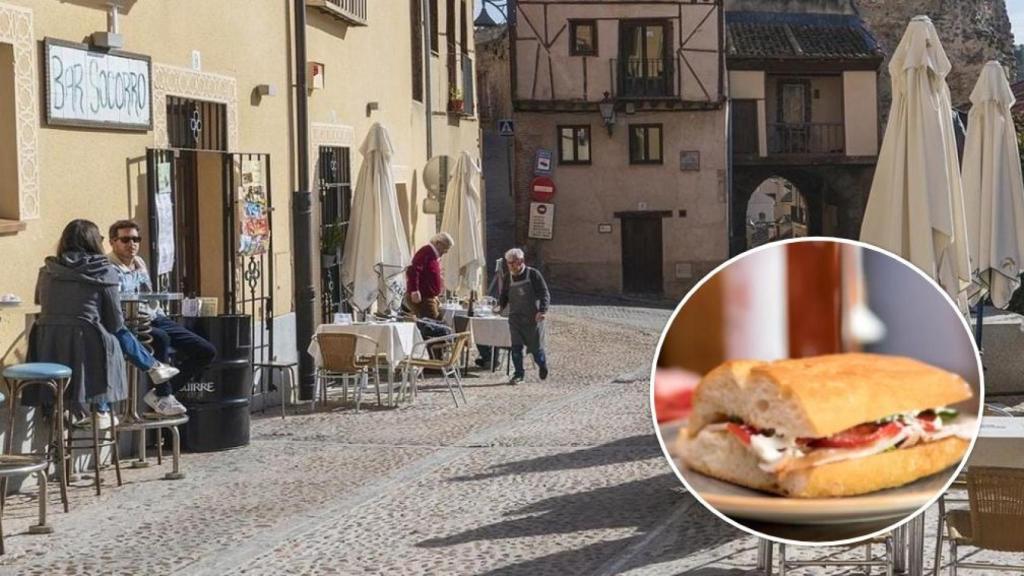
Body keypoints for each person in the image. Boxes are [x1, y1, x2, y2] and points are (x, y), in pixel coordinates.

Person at [29, 220, 179, 428]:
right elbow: (115, 319)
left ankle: (61, 412)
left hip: (48, 344)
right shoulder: (102, 270)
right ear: (94, 242)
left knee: (99, 335)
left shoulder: (47, 269)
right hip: (87, 342)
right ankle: (104, 408)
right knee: (110, 338)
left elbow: (40, 300)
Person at [107, 219, 216, 416]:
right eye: (125, 240)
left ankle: (162, 392)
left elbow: (149, 296)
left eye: (135, 239)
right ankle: (164, 396)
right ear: (113, 242)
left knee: (205, 350)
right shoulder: (110, 269)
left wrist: (160, 315)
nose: (132, 244)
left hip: (154, 316)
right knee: (161, 338)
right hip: (130, 322)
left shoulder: (139, 263)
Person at [496, 248, 550, 384]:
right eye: (508, 263)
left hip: (533, 318)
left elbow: (544, 293)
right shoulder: (508, 277)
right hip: (515, 318)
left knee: (536, 350)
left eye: (512, 263)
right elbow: (504, 294)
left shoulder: (533, 274)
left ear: (521, 261)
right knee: (516, 348)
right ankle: (518, 374)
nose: (510, 266)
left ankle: (542, 365)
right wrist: (500, 306)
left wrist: (542, 310)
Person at [403, 232, 453, 321]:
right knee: (433, 326)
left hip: (429, 297)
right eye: (445, 247)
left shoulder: (433, 255)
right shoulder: (426, 252)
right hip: (424, 298)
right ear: (438, 243)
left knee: (434, 323)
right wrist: (414, 290)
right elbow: (413, 270)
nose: (446, 251)